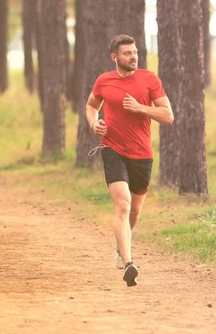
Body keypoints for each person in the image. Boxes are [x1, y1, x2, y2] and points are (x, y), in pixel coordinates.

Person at [85, 34, 174, 286]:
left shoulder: (149, 80)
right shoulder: (104, 81)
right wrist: (94, 124)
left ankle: (119, 246)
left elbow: (168, 116)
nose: (133, 56)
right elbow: (91, 106)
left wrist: (141, 108)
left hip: (142, 154)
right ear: (115, 57)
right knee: (123, 206)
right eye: (127, 53)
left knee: (135, 210)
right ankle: (128, 263)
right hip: (112, 149)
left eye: (135, 52)